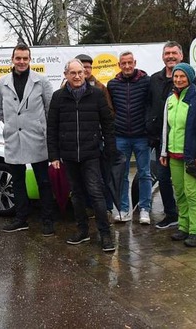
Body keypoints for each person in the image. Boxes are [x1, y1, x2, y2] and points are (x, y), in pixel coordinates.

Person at [47, 59, 117, 252]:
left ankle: (105, 234)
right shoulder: (58, 97)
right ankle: (82, 231)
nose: (77, 76)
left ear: (85, 74)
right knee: (76, 195)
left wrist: (110, 149)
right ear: (66, 75)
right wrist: (53, 155)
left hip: (91, 153)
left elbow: (108, 123)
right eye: (73, 73)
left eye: (80, 72)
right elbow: (52, 128)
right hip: (68, 156)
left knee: (96, 193)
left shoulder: (96, 94)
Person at [0, 44, 56, 236]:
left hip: (37, 138)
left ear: (30, 60)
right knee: (17, 181)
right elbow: (0, 110)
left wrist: (40, 127)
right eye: (18, 58)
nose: (21, 62)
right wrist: (12, 125)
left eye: (25, 58)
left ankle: (47, 220)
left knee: (43, 181)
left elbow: (49, 110)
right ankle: (21, 218)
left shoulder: (41, 82)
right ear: (12, 59)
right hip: (14, 138)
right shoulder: (2, 82)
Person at [159, 63, 196, 247]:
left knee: (192, 194)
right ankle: (184, 226)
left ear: (189, 77)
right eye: (176, 76)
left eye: (183, 76)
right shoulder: (170, 99)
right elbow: (166, 127)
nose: (179, 79)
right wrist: (164, 151)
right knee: (179, 193)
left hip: (191, 156)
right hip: (173, 155)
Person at [145, 41, 188, 229]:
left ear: (181, 56)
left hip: (183, 141)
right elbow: (148, 105)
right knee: (163, 178)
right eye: (167, 53)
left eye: (174, 53)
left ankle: (188, 217)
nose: (170, 56)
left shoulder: (188, 79)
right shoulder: (154, 79)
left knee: (185, 182)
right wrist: (150, 126)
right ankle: (171, 214)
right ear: (163, 56)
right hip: (160, 141)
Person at [107, 51, 152, 224]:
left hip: (142, 136)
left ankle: (144, 209)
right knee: (122, 175)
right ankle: (123, 209)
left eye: (130, 62)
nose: (127, 66)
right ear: (119, 65)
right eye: (123, 63)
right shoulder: (113, 84)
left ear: (135, 62)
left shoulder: (146, 81)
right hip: (121, 137)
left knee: (145, 174)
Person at [75, 53, 117, 221]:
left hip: (96, 140)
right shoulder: (67, 87)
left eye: (88, 67)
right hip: (77, 142)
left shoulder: (99, 87)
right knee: (82, 178)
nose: (85, 70)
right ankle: (88, 207)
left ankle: (106, 207)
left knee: (102, 176)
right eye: (82, 66)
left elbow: (110, 113)